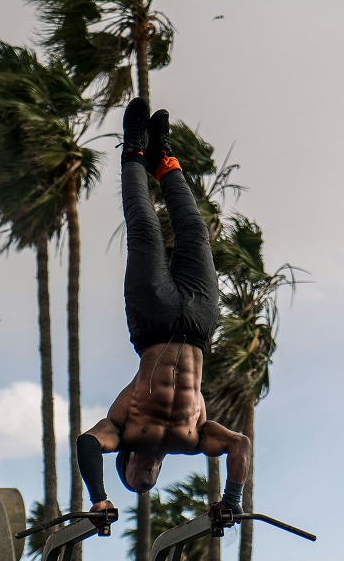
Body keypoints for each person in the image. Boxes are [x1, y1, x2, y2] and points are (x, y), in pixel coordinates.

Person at [76, 97, 251, 517]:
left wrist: (99, 498)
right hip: (199, 323)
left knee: (145, 229)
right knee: (195, 230)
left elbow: (86, 443)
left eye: (135, 480)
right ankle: (164, 159)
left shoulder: (122, 429)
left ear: (126, 462)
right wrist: (231, 503)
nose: (145, 481)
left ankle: (135, 149)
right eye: (149, 484)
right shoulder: (191, 440)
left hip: (153, 320)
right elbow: (239, 445)